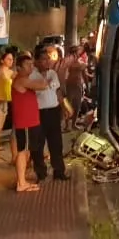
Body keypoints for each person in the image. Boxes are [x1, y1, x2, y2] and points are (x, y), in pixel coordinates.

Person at [10, 52, 47, 192]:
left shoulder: (25, 80)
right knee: (22, 151)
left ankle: (22, 179)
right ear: (19, 67)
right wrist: (43, 75)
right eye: (28, 64)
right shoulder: (21, 80)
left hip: (30, 121)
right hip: (25, 122)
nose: (31, 67)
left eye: (32, 64)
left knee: (27, 151)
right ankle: (21, 183)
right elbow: (43, 85)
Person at [31, 45, 69, 181]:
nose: (47, 62)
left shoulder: (52, 73)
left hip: (53, 111)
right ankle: (40, 172)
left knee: (56, 143)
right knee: (38, 144)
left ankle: (59, 171)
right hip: (38, 112)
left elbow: (57, 91)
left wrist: (64, 107)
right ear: (36, 61)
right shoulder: (31, 75)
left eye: (48, 59)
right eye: (43, 59)